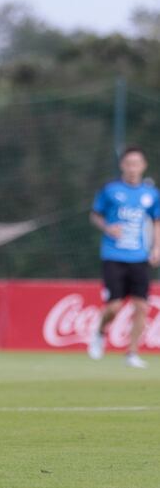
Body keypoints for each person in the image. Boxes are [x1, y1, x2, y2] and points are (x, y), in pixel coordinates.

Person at [88, 147, 160, 368]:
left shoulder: (151, 194)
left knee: (142, 306)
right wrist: (108, 228)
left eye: (136, 163)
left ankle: (132, 353)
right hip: (113, 255)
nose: (132, 168)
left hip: (138, 256)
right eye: (128, 163)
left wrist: (157, 247)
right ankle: (100, 332)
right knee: (114, 306)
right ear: (122, 165)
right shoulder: (110, 190)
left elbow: (157, 221)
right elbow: (95, 215)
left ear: (143, 165)